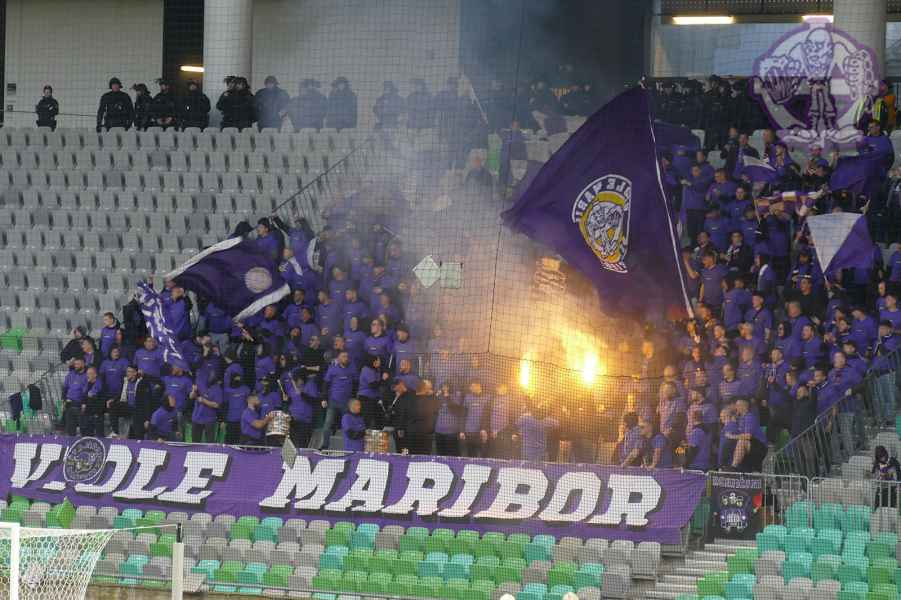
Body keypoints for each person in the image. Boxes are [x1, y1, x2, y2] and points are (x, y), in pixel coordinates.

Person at [322, 350, 356, 448]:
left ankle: (348, 447)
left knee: (347, 425)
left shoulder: (352, 368)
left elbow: (355, 383)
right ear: (338, 358)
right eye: (343, 356)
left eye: (347, 356)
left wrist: (353, 398)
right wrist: (324, 398)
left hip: (346, 403)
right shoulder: (332, 369)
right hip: (333, 401)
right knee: (327, 424)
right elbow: (326, 384)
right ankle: (325, 446)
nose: (346, 358)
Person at [729, 398, 767, 472]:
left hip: (760, 446)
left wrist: (732, 436)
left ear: (744, 406)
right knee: (732, 443)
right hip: (750, 445)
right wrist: (733, 422)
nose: (736, 407)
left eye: (737, 405)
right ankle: (728, 466)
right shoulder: (740, 419)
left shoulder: (749, 417)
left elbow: (748, 436)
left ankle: (733, 467)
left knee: (741, 441)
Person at [283, 367, 315, 448]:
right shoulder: (292, 387)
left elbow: (313, 401)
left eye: (298, 379)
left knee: (302, 445)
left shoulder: (310, 385)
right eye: (295, 380)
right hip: (292, 420)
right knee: (291, 445)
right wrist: (287, 399)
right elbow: (292, 400)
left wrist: (302, 394)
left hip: (304, 421)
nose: (296, 382)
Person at [434, 381, 463, 456]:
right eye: (443, 386)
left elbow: (454, 409)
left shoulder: (455, 397)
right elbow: (432, 407)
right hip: (439, 430)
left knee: (452, 453)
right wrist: (436, 395)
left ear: (450, 387)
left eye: (446, 386)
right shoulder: (439, 397)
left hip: (451, 432)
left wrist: (447, 397)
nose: (445, 388)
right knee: (440, 453)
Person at [191, 373, 222, 444]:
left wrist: (203, 401)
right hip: (196, 418)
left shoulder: (217, 389)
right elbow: (191, 396)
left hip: (209, 420)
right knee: (195, 443)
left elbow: (216, 405)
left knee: (210, 444)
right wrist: (193, 390)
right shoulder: (200, 384)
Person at [62, 357, 89, 436]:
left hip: (79, 405)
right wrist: (63, 400)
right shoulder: (70, 374)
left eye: (78, 364)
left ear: (83, 364)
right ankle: (71, 440)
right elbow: (65, 388)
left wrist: (83, 403)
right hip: (69, 404)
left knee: (83, 427)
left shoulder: (87, 375)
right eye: (75, 364)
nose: (76, 366)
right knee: (70, 427)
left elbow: (85, 392)